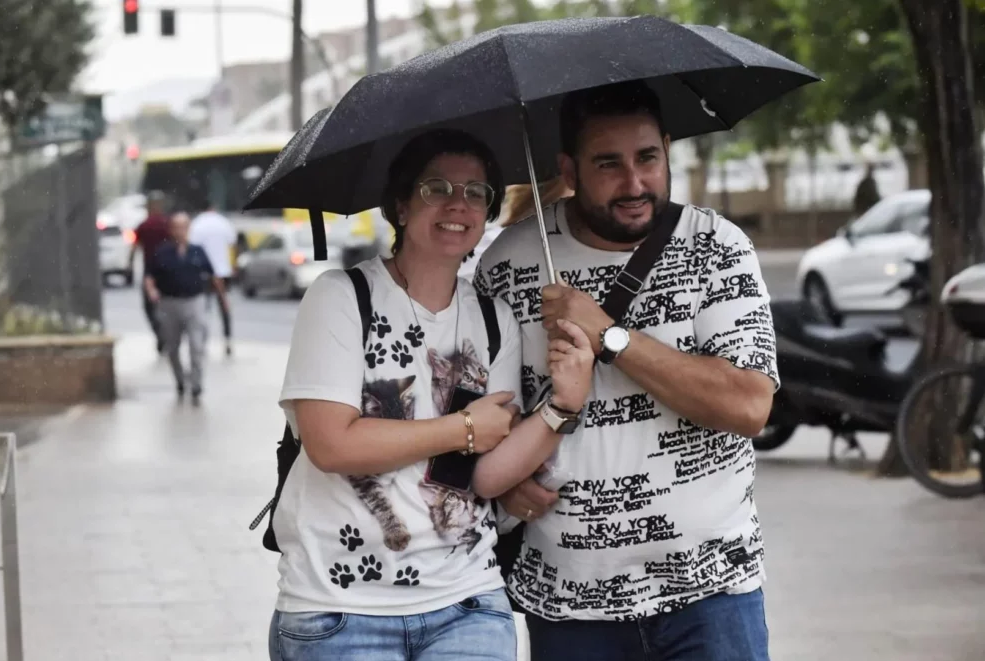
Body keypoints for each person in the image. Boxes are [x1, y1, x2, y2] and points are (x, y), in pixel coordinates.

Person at [473, 80, 780, 660]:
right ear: (568, 168)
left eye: (648, 158)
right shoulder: (508, 263)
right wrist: (506, 481)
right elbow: (484, 414)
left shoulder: (717, 248)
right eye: (608, 164)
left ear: (668, 149)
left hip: (711, 593)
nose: (635, 183)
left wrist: (609, 336)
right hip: (568, 602)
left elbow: (748, 406)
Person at [270, 128, 595, 661]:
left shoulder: (494, 320)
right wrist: (461, 429)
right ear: (400, 204)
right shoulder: (341, 298)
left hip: (466, 601)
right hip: (339, 610)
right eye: (436, 188)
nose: (457, 205)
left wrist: (562, 406)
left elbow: (485, 476)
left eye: (475, 193)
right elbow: (331, 446)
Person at [144, 211, 229, 405]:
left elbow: (213, 275)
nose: (180, 231)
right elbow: (149, 276)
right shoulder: (162, 251)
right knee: (172, 347)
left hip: (194, 302)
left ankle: (197, 384)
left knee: (197, 345)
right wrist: (152, 292)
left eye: (184, 227)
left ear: (189, 229)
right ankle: (180, 380)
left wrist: (223, 298)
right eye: (176, 227)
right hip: (169, 303)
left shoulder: (198, 251)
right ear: (171, 229)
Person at [189, 198, 237, 356]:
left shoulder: (197, 224)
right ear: (213, 207)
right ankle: (227, 340)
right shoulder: (224, 222)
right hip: (223, 272)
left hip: (204, 274)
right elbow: (232, 244)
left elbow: (193, 249)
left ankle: (203, 341)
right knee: (224, 307)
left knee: (203, 309)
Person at [131, 194, 172, 352]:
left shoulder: (144, 225)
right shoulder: (167, 224)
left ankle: (160, 333)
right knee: (167, 305)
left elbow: (135, 245)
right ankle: (166, 333)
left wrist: (129, 264)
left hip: (150, 273)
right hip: (168, 272)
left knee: (149, 307)